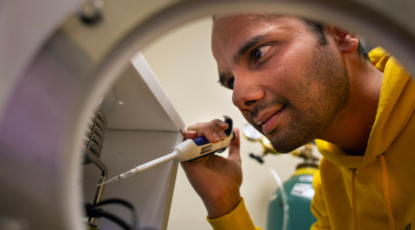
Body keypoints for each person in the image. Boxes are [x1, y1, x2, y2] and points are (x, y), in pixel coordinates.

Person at [181, 13, 415, 230]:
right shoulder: (330, 191)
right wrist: (225, 202)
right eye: (231, 81)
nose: (238, 97)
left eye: (259, 53)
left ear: (341, 32)